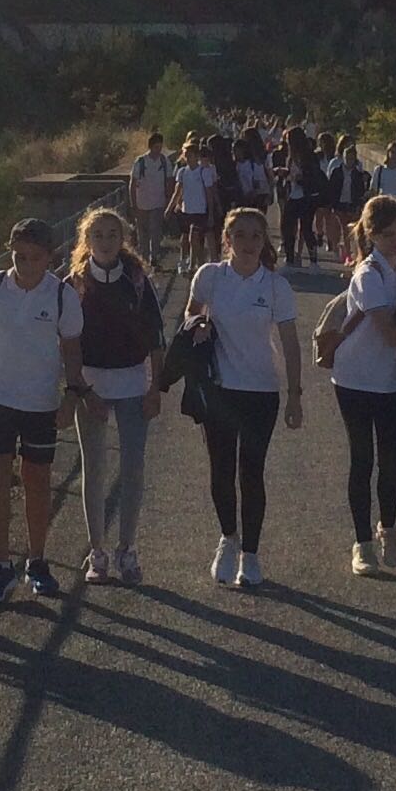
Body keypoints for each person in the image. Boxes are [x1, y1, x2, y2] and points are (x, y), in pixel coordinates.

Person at [0, 217, 98, 604]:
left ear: (48, 258)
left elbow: (72, 347)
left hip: (39, 401)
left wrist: (71, 394)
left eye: (34, 258)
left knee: (37, 479)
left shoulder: (60, 296)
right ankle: (1, 564)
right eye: (18, 256)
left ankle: (37, 560)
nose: (25, 264)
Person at [186, 207, 302, 587]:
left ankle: (251, 555)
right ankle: (228, 538)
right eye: (240, 235)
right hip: (218, 389)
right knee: (220, 470)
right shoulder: (210, 277)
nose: (248, 243)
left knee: (251, 472)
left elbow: (289, 343)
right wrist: (199, 323)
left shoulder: (274, 287)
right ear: (227, 239)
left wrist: (294, 395)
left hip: (261, 391)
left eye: (256, 235)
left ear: (264, 240)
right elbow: (191, 317)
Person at [66, 208, 165, 585]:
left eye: (112, 235)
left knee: (133, 466)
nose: (106, 242)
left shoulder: (138, 280)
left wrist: (156, 388)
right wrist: (77, 388)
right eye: (99, 236)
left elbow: (157, 338)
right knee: (94, 467)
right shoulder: (73, 283)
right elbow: (65, 341)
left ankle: (127, 547)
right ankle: (97, 551)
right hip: (90, 384)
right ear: (87, 241)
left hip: (132, 383)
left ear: (121, 238)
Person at [326, 195, 396, 575]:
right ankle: (362, 541)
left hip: (390, 380)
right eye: (386, 234)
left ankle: (389, 528)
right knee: (363, 458)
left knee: (391, 460)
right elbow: (391, 334)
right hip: (355, 378)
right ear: (371, 235)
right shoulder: (368, 274)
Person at [276, 126, 326, 270]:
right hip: (294, 194)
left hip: (307, 196)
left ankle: (313, 261)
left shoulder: (308, 157)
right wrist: (284, 173)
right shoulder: (291, 157)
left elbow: (311, 177)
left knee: (306, 228)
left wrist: (297, 178)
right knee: (287, 226)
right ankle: (290, 259)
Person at [166, 140, 216, 276]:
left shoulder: (203, 172)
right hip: (187, 210)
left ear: (196, 156)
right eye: (186, 155)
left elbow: (209, 193)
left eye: (190, 155)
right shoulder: (182, 172)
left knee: (194, 238)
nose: (187, 158)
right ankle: (196, 264)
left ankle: (197, 265)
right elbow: (178, 192)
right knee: (192, 240)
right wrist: (170, 208)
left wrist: (211, 213)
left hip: (200, 211)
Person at [129, 131, 174, 268]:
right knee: (143, 233)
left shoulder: (164, 161)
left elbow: (170, 180)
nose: (158, 150)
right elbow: (133, 182)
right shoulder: (141, 162)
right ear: (151, 146)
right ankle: (143, 258)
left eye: (160, 146)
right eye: (156, 147)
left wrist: (168, 199)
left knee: (155, 231)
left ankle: (154, 256)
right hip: (142, 203)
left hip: (158, 202)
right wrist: (133, 203)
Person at [327, 143, 369, 264]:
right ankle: (347, 254)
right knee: (344, 229)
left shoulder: (358, 174)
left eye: (351, 159)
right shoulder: (337, 171)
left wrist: (359, 204)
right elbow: (332, 188)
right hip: (340, 203)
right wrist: (332, 204)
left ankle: (354, 253)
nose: (349, 161)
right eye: (347, 158)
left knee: (354, 230)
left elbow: (361, 190)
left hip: (352, 204)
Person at [233, 135, 271, 215]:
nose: (236, 153)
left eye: (238, 150)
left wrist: (254, 192)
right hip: (243, 198)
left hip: (256, 197)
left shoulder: (252, 164)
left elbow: (259, 180)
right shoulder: (236, 165)